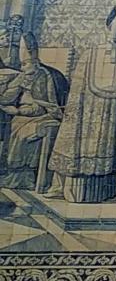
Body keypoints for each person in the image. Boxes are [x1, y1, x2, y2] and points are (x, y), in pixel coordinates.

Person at [49, 5, 116, 203]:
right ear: (108, 26)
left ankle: (104, 191)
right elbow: (78, 87)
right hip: (90, 110)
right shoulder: (91, 53)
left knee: (109, 151)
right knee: (82, 145)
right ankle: (69, 189)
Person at [0, 33, 67, 192]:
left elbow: (42, 106)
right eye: (22, 64)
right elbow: (8, 97)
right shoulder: (24, 75)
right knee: (14, 127)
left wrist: (18, 110)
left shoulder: (43, 75)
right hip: (24, 115)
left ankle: (26, 178)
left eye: (25, 64)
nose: (23, 68)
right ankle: (15, 175)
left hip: (41, 116)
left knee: (21, 133)